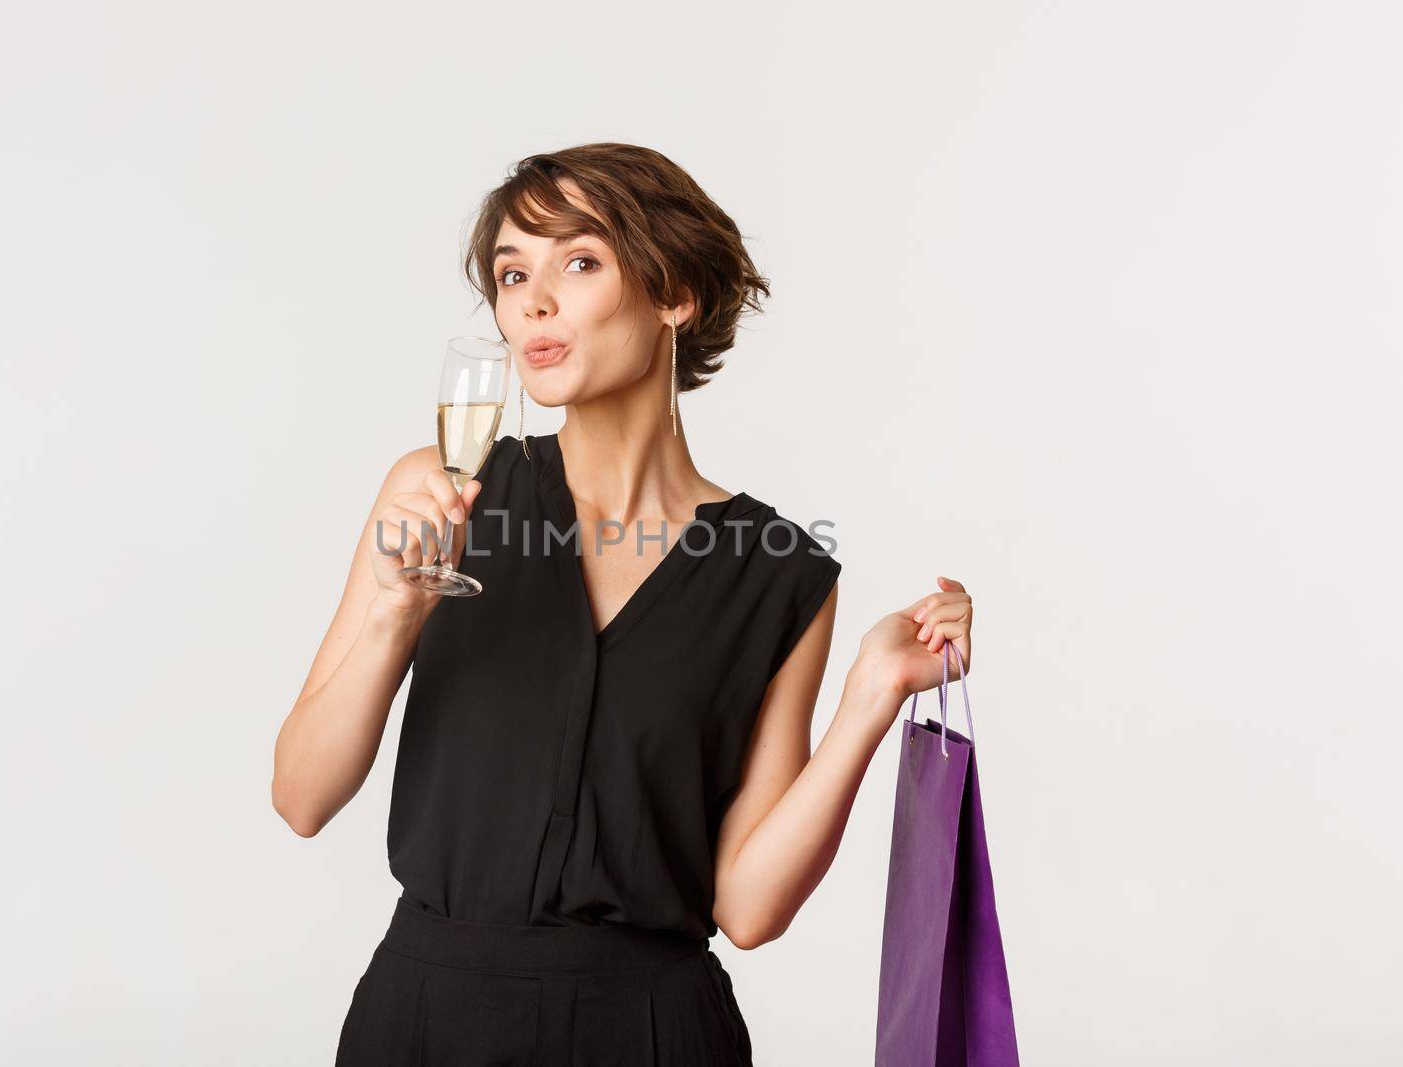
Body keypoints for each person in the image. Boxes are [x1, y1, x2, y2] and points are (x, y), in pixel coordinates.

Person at [271, 142, 975, 1066]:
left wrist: (870, 699)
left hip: (652, 1034)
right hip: (426, 1020)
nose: (533, 301)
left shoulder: (778, 572)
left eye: (580, 261)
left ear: (675, 293)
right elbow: (300, 796)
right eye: (511, 272)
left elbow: (750, 909)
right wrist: (395, 612)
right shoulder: (440, 493)